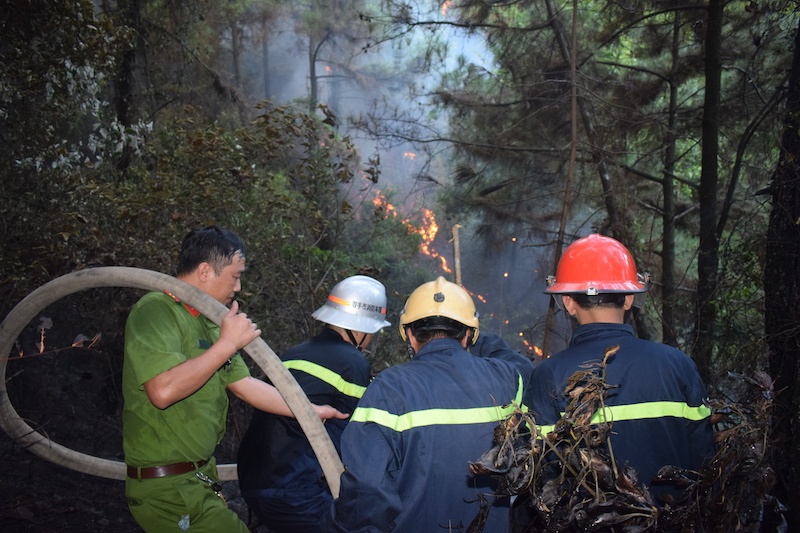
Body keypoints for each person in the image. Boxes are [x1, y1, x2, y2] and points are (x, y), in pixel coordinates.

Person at [122, 226, 346, 533]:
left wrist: (310, 411)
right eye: (235, 275)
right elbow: (163, 390)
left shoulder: (211, 325)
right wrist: (228, 343)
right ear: (204, 271)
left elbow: (245, 386)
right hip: (167, 490)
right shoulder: (156, 310)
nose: (238, 287)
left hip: (198, 480)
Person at [520, 234, 715, 517]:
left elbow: (542, 476)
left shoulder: (549, 375)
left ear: (568, 303)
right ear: (628, 299)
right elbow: (705, 460)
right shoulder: (677, 364)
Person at [329, 276, 534, 532]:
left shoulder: (388, 387)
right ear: (469, 335)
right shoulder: (507, 379)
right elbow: (522, 365)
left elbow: (366, 491)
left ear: (410, 336)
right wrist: (474, 333)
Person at [237, 275, 391, 532]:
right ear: (362, 327)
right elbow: (353, 441)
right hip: (293, 492)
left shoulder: (295, 352)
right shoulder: (353, 363)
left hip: (252, 481)